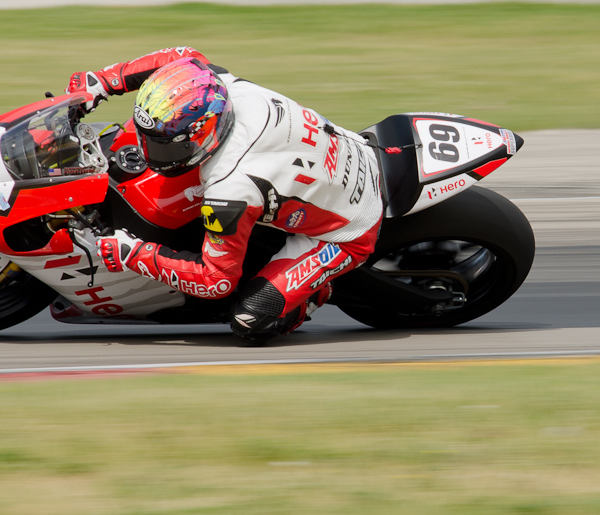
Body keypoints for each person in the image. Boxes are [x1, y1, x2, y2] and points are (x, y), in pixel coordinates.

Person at [66, 47, 383, 345]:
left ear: (204, 133)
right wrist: (105, 82)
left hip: (347, 229)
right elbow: (182, 58)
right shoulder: (224, 89)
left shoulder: (230, 187)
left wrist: (131, 254)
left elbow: (216, 280)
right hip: (346, 153)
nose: (151, 153)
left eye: (165, 146)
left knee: (249, 321)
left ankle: (316, 293)